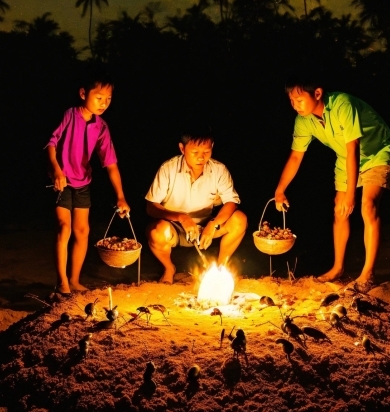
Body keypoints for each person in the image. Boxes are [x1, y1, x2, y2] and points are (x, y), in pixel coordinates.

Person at [274, 77, 390, 289]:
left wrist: (351, 194)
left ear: (317, 93)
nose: (295, 105)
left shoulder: (343, 104)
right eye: (291, 100)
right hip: (346, 160)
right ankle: (337, 268)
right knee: (339, 211)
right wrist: (280, 190)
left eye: (299, 99)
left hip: (377, 154)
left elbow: (353, 147)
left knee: (367, 206)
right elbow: (296, 156)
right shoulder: (304, 120)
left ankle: (367, 274)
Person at [47, 72, 130, 294]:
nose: (104, 103)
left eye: (108, 99)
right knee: (64, 228)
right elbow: (51, 143)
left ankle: (74, 280)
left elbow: (110, 163)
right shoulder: (69, 115)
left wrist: (120, 196)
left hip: (83, 182)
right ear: (83, 93)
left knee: (82, 231)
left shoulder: (101, 126)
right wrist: (56, 169)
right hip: (61, 182)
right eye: (99, 97)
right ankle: (61, 282)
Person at [145, 128, 247, 283]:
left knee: (239, 219)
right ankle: (169, 268)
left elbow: (231, 202)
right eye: (195, 152)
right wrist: (181, 217)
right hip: (175, 227)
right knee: (156, 232)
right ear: (182, 148)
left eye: (206, 151)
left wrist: (213, 224)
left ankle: (220, 269)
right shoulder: (168, 169)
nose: (201, 157)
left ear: (212, 146)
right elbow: (151, 207)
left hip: (206, 226)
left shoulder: (218, 170)